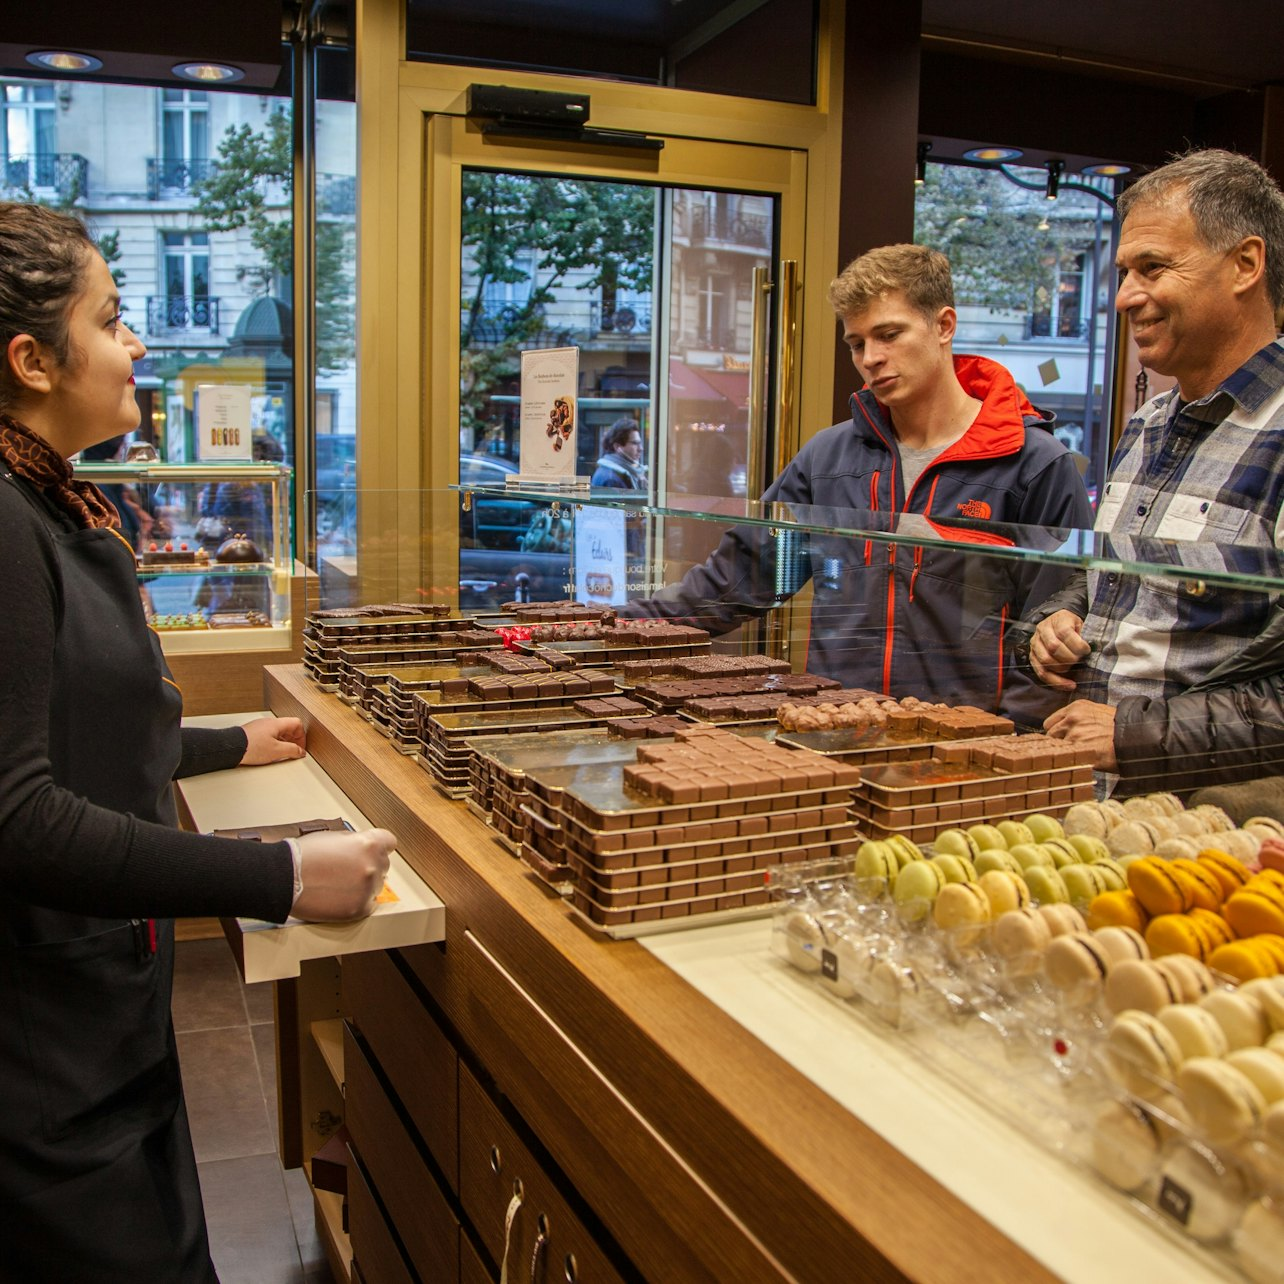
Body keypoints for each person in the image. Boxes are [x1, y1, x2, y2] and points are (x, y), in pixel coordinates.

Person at [0, 201, 396, 1281]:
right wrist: (281, 877)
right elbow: (19, 816)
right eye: (110, 319)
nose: (135, 344)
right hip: (42, 1051)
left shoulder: (46, 499)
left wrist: (223, 743)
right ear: (31, 360)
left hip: (95, 1015)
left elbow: (74, 723)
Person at [624, 243, 1093, 720]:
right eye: (856, 343)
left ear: (944, 326)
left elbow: (1051, 638)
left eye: (889, 334)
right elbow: (737, 580)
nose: (871, 358)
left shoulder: (1034, 464)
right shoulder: (827, 457)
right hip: (834, 728)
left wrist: (1006, 742)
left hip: (960, 741)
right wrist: (615, 624)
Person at [1027, 149, 1284, 792]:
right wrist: (1058, 619)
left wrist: (1133, 737)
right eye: (1124, 273)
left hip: (1215, 829)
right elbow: (1114, 579)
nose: (1124, 297)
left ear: (1245, 265)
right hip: (1096, 809)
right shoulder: (1147, 423)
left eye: (1153, 267)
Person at [591, 416, 646, 488]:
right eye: (635, 443)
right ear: (617, 447)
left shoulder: (616, 472)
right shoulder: (612, 479)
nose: (641, 448)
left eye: (640, 443)